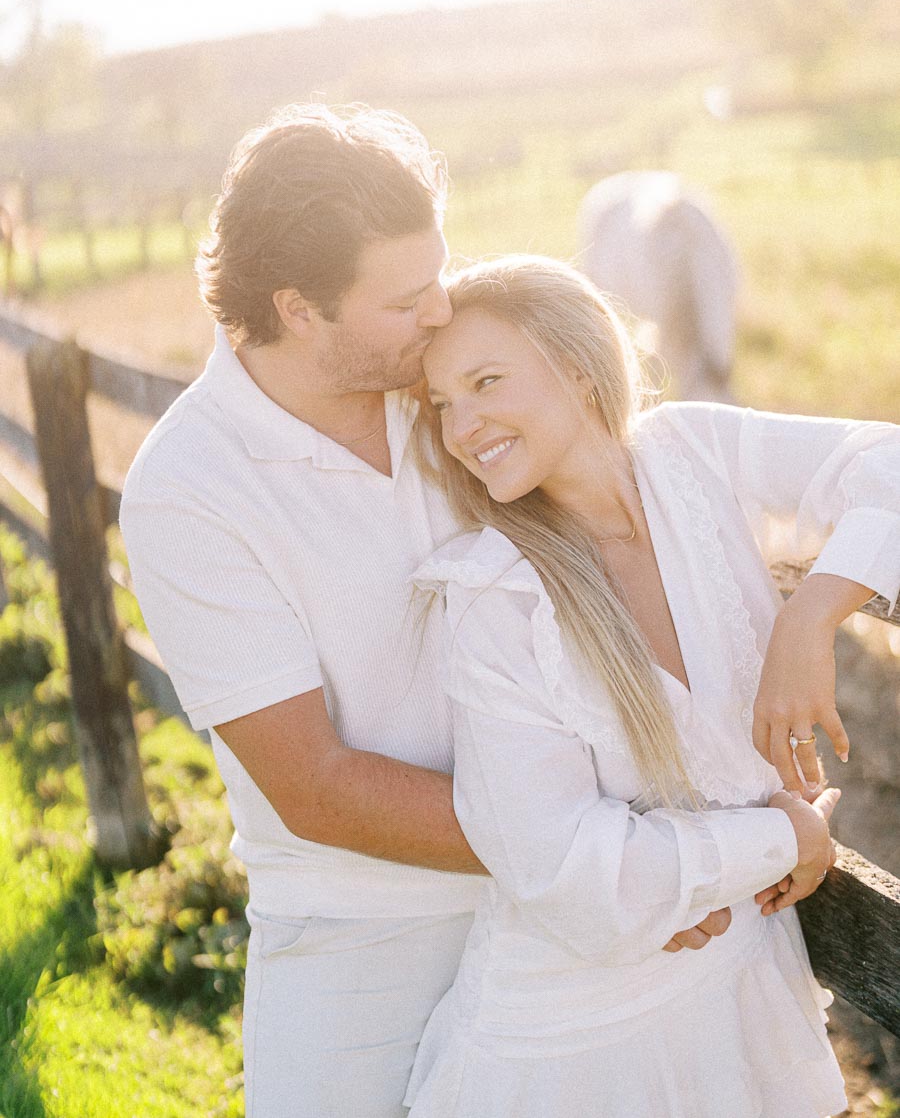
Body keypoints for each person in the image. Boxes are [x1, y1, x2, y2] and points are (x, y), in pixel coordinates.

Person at [120, 105, 742, 1118]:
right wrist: (594, 861)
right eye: (407, 297)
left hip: (562, 900)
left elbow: (637, 521)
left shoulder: (450, 391)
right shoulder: (189, 489)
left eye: (439, 276)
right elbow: (314, 786)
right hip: (362, 934)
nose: (442, 311)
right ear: (299, 309)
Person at [403, 255, 900, 1117]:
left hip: (740, 996)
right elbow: (558, 868)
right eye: (443, 405)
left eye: (485, 382)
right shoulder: (498, 595)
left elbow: (885, 460)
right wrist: (783, 841)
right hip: (575, 1047)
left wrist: (810, 616)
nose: (460, 428)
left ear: (580, 367)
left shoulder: (692, 453)